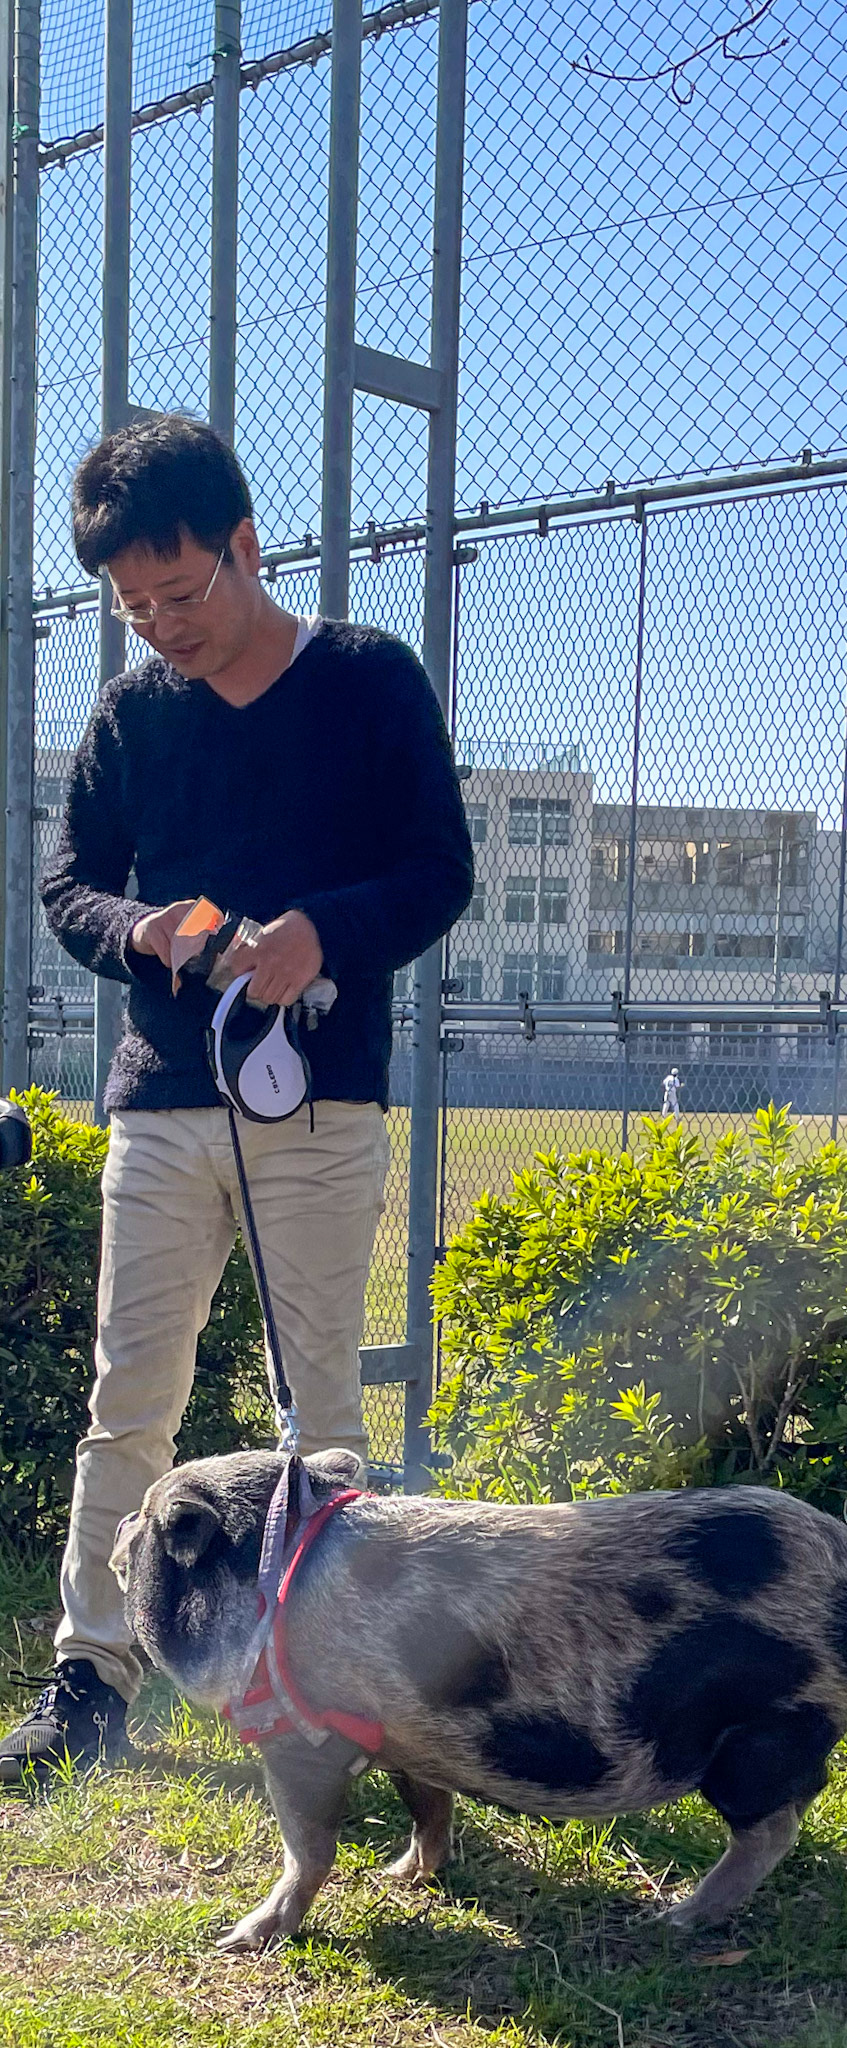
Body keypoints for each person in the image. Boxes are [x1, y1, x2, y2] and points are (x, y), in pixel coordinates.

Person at [0, 415, 473, 1781]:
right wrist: (145, 932)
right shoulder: (130, 715)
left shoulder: (370, 680)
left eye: (181, 591)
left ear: (245, 545)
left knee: (316, 1402)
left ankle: (339, 1692)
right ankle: (91, 1674)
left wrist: (321, 932)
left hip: (317, 1101)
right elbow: (67, 888)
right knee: (129, 1394)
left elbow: (436, 872)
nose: (161, 626)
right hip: (158, 1101)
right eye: (133, 604)